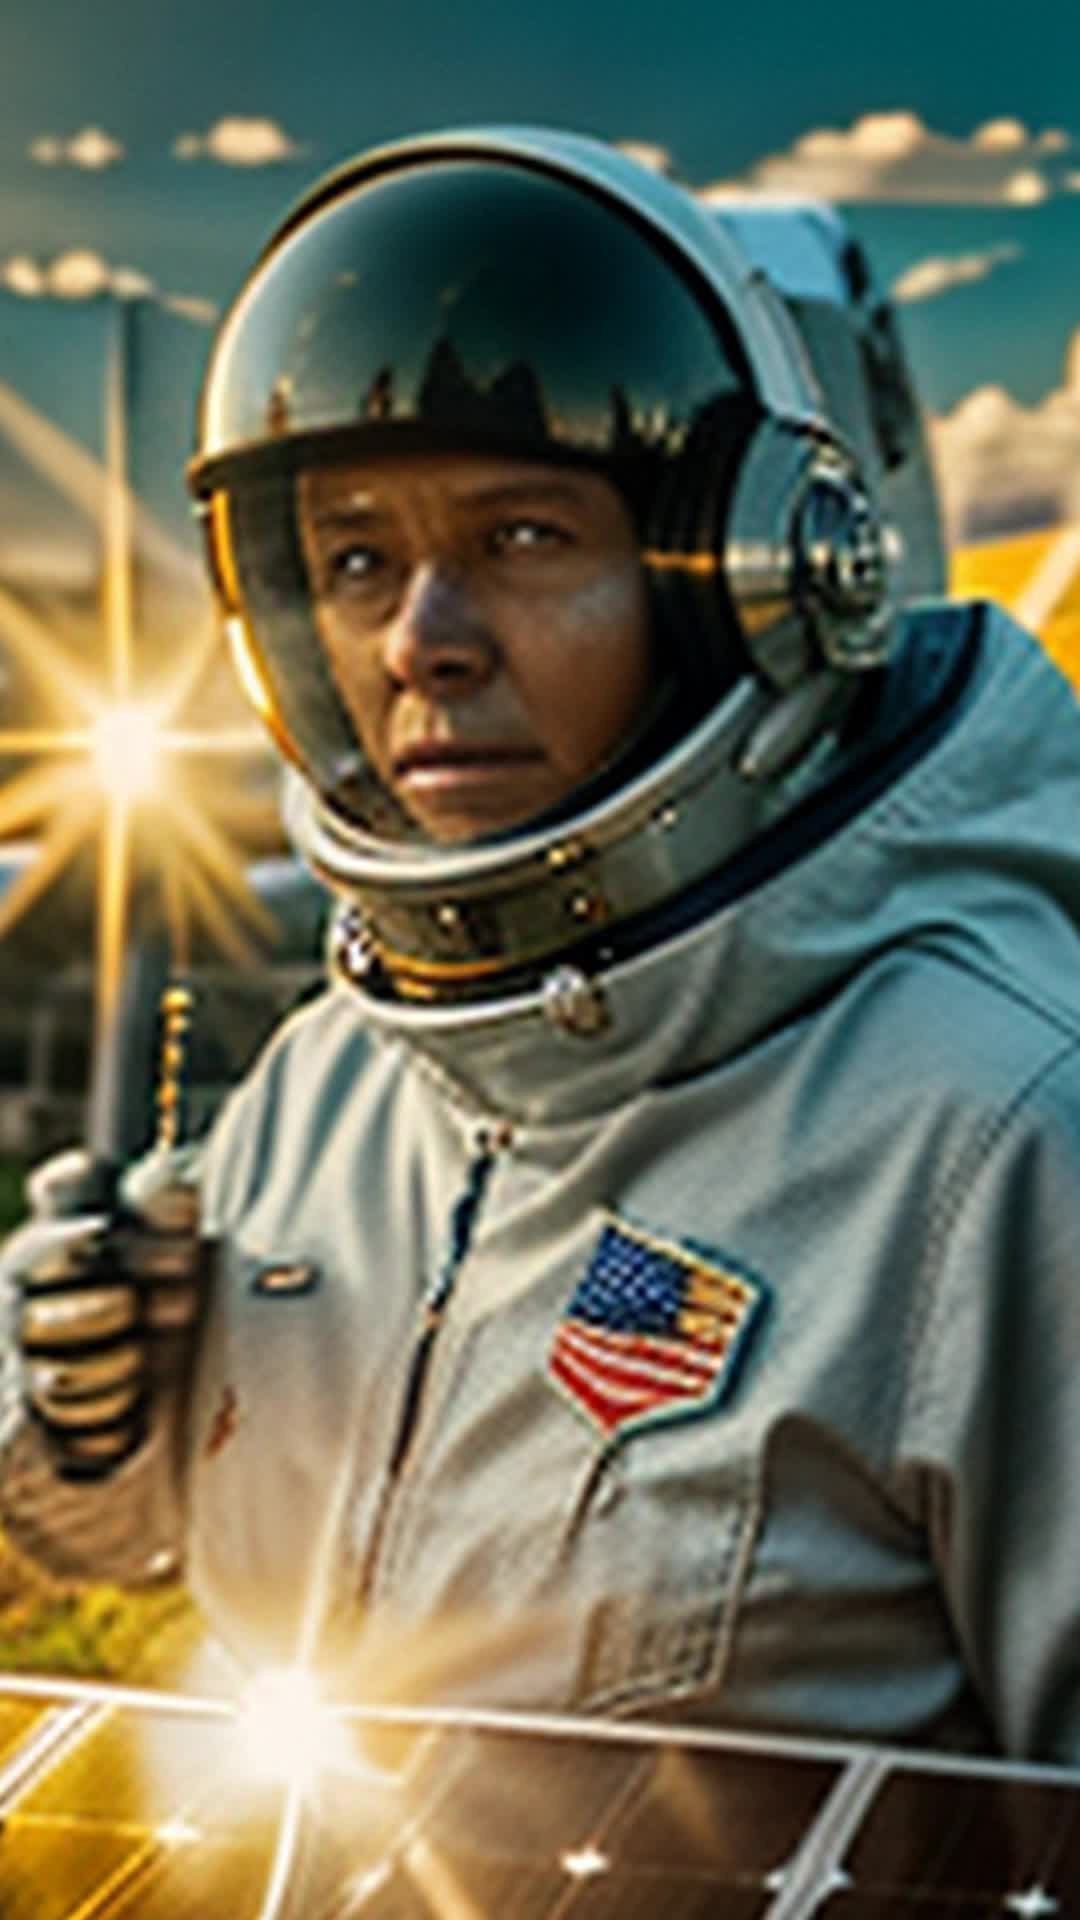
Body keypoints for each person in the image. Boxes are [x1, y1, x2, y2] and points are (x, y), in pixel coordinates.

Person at [3, 125, 1080, 1765]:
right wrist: (90, 1434)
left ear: (762, 578)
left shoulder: (999, 1135)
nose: (420, 643)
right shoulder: (325, 1084)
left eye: (520, 539)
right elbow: (193, 1602)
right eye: (356, 560)